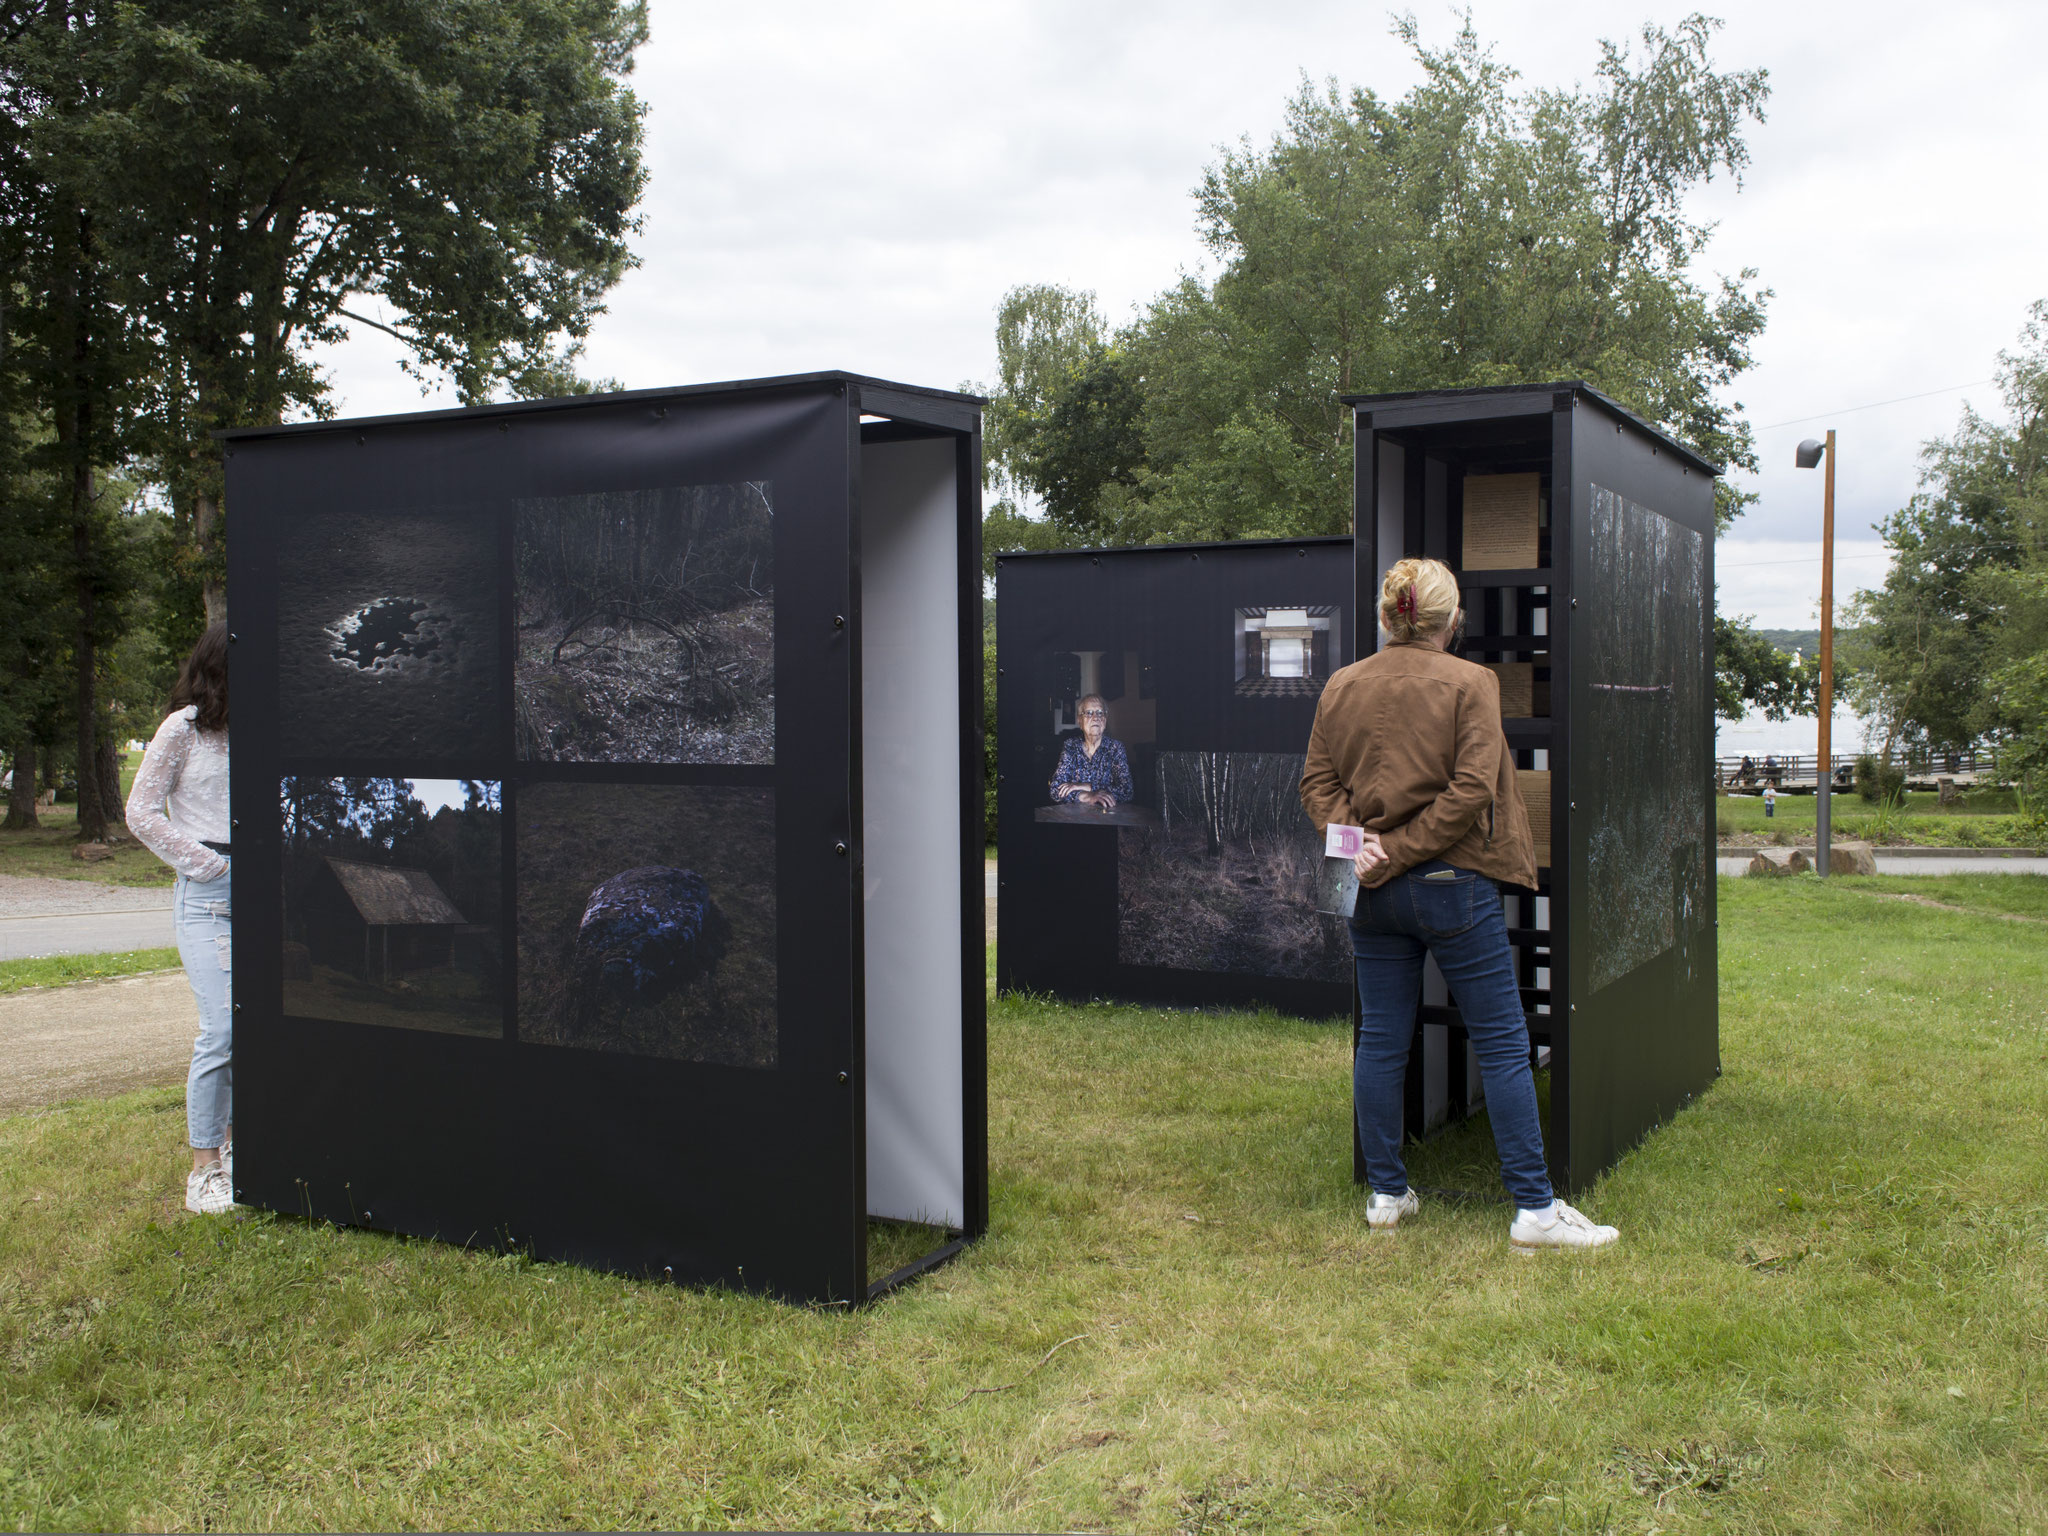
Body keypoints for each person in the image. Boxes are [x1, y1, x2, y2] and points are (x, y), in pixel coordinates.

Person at [1299, 558, 1618, 1252]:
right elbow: (1473, 788)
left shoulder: (1342, 683)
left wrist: (1364, 849)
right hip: (1450, 884)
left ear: (1390, 617)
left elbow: (1316, 784)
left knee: (1380, 1040)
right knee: (1504, 1043)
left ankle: (1387, 1195)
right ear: (1452, 620)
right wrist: (1404, 850)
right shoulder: (1473, 681)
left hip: (1371, 891)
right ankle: (1534, 1211)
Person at [126, 624, 235, 1216]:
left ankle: (248, 1151)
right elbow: (140, 812)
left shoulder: (261, 731)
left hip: (267, 896)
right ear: (222, 663)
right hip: (209, 896)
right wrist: (210, 867)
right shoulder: (184, 728)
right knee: (221, 1031)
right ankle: (204, 1169)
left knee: (262, 1026)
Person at [1048, 693, 1134, 811]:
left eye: (1100, 713)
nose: (1095, 717)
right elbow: (1055, 790)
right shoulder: (1070, 746)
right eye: (1089, 713)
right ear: (1080, 720)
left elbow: (1126, 791)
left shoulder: (1115, 748)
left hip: (1108, 816)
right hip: (1075, 818)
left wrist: (1085, 786)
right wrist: (1086, 796)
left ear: (1105, 719)